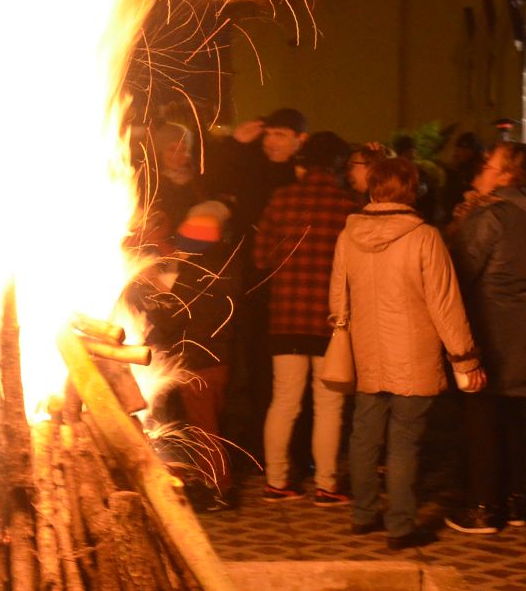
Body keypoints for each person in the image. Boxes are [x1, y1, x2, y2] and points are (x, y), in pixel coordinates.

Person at [330, 156, 485, 550]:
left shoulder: (349, 234)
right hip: (414, 354)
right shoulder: (424, 237)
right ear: (412, 189)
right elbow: (444, 304)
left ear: (372, 186)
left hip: (366, 350)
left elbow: (337, 296)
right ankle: (400, 525)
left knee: (364, 434)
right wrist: (464, 358)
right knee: (404, 441)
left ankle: (363, 515)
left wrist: (343, 332)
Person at [444, 142, 526, 534]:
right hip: (524, 328)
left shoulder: (493, 216)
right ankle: (513, 500)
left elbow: (459, 274)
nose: (482, 169)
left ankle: (481, 507)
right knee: (510, 418)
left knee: (481, 418)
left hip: (487, 328)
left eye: (490, 164)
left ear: (508, 175)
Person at [253, 130, 361, 505]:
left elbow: (261, 258)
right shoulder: (347, 206)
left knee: (284, 402)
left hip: (284, 318)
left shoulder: (281, 200)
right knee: (329, 407)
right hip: (332, 322)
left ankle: (276, 481)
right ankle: (327, 485)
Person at [128, 201, 245, 510]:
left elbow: (173, 315)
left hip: (199, 359)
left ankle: (219, 489)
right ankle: (214, 484)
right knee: (207, 424)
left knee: (204, 427)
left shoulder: (198, 270)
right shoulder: (225, 262)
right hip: (218, 356)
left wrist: (152, 283)